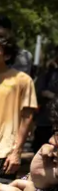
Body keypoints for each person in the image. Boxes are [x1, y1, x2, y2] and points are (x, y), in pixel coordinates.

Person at [0, 33, 37, 177]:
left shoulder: (22, 80)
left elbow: (27, 117)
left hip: (4, 152)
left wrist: (17, 151)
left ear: (7, 56)